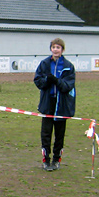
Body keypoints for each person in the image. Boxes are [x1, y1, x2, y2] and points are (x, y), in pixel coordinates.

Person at [34, 37, 76, 171]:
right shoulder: (44, 64)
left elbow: (68, 85)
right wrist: (47, 80)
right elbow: (38, 81)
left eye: (58, 47)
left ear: (62, 50)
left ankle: (57, 159)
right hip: (48, 102)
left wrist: (56, 81)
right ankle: (46, 160)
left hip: (62, 104)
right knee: (46, 133)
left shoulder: (68, 66)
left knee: (59, 133)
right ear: (51, 49)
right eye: (53, 47)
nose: (55, 49)